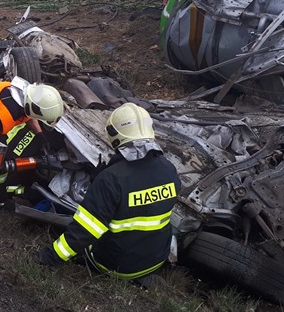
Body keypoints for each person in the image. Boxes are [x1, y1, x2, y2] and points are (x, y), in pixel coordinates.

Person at [35, 103, 181, 283]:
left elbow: (84, 232)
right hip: (155, 261)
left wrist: (49, 256)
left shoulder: (111, 179)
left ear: (115, 135)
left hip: (116, 265)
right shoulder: (169, 170)